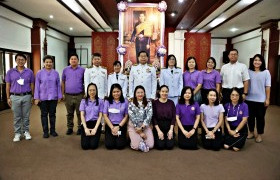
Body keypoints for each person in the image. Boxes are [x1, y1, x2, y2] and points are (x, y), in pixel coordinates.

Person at [5, 53, 35, 142]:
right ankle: (17, 133)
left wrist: (32, 96)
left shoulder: (29, 72)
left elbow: (32, 84)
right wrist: (8, 98)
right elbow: (7, 86)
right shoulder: (10, 72)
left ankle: (26, 131)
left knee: (26, 116)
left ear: (25, 61)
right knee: (17, 116)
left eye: (22, 60)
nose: (20, 61)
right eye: (18, 59)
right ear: (16, 60)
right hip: (14, 97)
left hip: (27, 96)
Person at [34, 55, 62, 138]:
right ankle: (45, 131)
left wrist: (59, 96)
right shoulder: (39, 73)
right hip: (43, 97)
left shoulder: (56, 73)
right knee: (44, 115)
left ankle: (53, 130)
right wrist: (36, 97)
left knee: (52, 114)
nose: (48, 63)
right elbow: (37, 86)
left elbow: (58, 85)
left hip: (53, 97)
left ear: (52, 63)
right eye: (47, 62)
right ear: (44, 63)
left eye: (50, 62)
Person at [246, 54, 271, 143]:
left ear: (262, 62)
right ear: (253, 61)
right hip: (249, 99)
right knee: (250, 118)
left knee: (260, 118)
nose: (257, 62)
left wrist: (267, 99)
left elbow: (267, 87)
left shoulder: (266, 72)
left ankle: (259, 134)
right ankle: (252, 132)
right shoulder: (248, 71)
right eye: (255, 60)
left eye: (259, 60)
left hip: (261, 100)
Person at [61, 54, 85, 135]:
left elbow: (85, 82)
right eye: (72, 59)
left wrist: (85, 93)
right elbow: (63, 82)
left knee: (80, 113)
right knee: (69, 113)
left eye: (75, 59)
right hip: (68, 95)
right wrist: (63, 93)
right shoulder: (65, 70)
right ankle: (70, 128)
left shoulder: (83, 70)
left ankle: (80, 127)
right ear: (69, 61)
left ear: (78, 60)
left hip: (79, 95)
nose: (73, 60)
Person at [128, 85, 154, 152]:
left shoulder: (148, 102)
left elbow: (149, 116)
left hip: (145, 126)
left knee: (151, 145)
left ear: (144, 93)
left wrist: (142, 127)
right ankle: (135, 140)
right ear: (135, 94)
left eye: (142, 92)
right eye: (138, 92)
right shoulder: (131, 103)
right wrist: (140, 132)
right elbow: (132, 117)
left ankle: (140, 140)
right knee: (135, 146)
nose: (140, 94)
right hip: (134, 126)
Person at [103, 83, 128, 149]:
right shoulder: (107, 101)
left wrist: (119, 127)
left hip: (121, 125)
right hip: (110, 125)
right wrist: (112, 127)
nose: (116, 93)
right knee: (109, 145)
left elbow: (126, 116)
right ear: (111, 92)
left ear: (121, 91)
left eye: (118, 91)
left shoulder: (125, 101)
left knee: (120, 146)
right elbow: (105, 115)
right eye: (114, 92)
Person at [79, 83, 103, 150]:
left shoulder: (100, 101)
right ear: (87, 91)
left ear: (96, 91)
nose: (92, 92)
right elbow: (82, 115)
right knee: (85, 146)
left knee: (93, 146)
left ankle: (95, 134)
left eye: (94, 90)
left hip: (96, 123)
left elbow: (100, 116)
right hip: (86, 123)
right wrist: (85, 128)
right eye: (90, 90)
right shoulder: (83, 101)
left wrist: (95, 129)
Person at [152, 85, 175, 150]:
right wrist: (159, 131)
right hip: (158, 126)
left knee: (169, 146)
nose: (164, 93)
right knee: (160, 146)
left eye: (166, 92)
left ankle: (170, 135)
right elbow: (154, 118)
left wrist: (171, 130)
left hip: (169, 125)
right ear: (159, 92)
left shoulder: (171, 102)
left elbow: (173, 117)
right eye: (163, 91)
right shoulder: (155, 103)